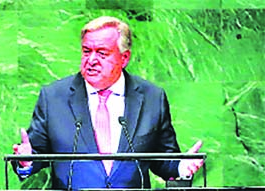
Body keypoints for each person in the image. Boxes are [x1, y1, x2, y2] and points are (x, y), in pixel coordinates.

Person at [12, 16, 204, 189]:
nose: (91, 60)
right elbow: (34, 154)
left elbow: (163, 159)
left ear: (124, 58)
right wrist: (25, 161)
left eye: (102, 53)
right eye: (87, 51)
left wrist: (180, 166)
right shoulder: (53, 97)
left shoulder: (152, 97)